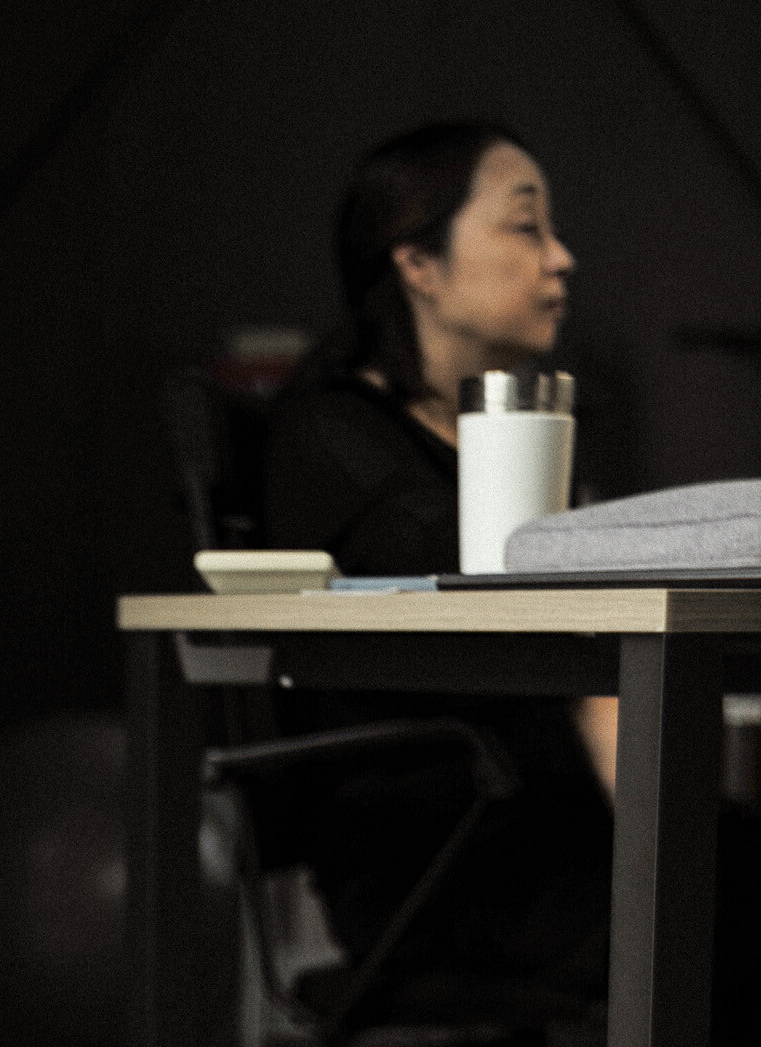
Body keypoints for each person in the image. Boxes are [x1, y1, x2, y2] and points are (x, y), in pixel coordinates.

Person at [261, 123, 616, 996]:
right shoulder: (333, 434)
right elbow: (479, 570)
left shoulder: (529, 441)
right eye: (525, 227)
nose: (560, 259)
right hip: (446, 865)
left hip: (568, 837)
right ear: (418, 262)